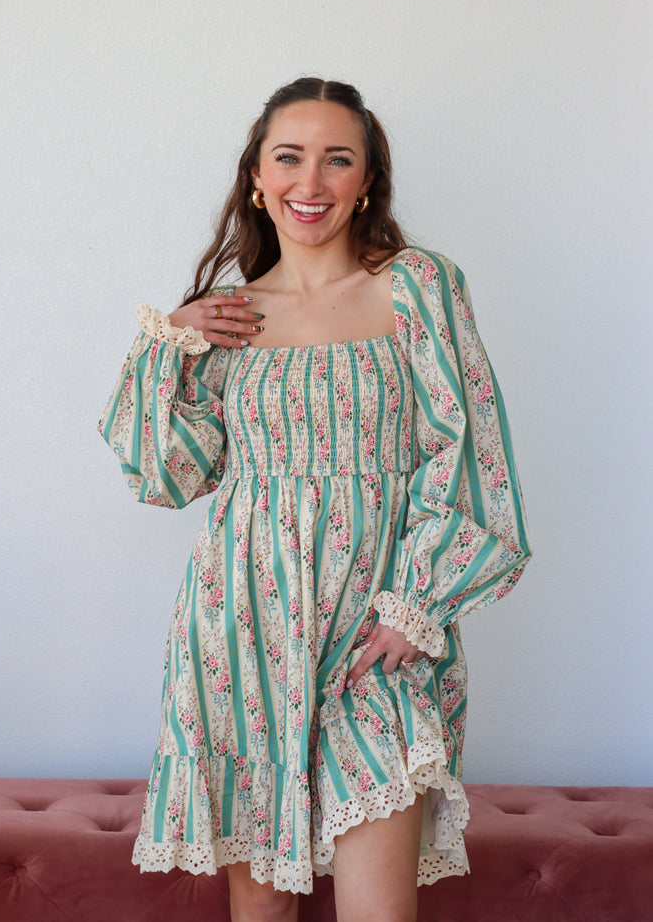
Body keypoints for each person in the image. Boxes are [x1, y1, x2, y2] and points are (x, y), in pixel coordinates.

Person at [99, 77, 533, 922]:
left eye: (338, 159)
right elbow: (166, 476)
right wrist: (168, 344)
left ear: (367, 181)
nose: (311, 181)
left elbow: (470, 454)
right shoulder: (230, 317)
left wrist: (416, 609)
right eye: (289, 157)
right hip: (243, 634)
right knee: (262, 912)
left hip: (379, 635)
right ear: (257, 178)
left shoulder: (417, 286)